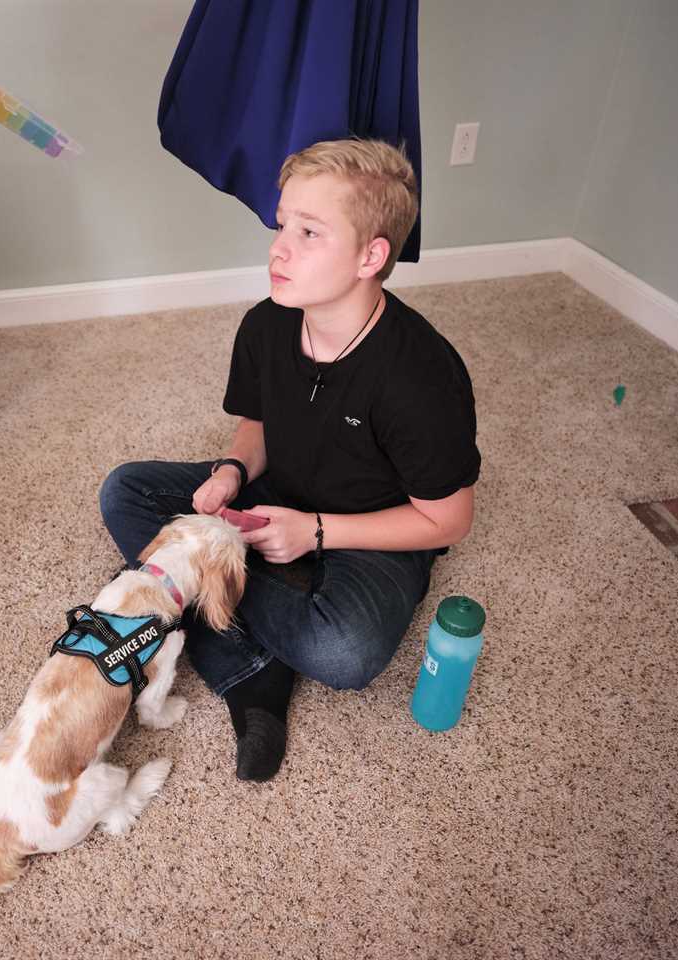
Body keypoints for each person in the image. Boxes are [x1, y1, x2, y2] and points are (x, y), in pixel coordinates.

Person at [99, 139, 480, 780]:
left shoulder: (421, 377)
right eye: (281, 225)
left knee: (345, 651)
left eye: (308, 232)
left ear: (371, 256)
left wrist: (318, 532)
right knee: (124, 492)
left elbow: (450, 520)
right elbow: (259, 422)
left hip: (376, 526)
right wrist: (233, 472)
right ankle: (254, 665)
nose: (278, 248)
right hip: (281, 486)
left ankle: (215, 617)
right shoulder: (268, 323)